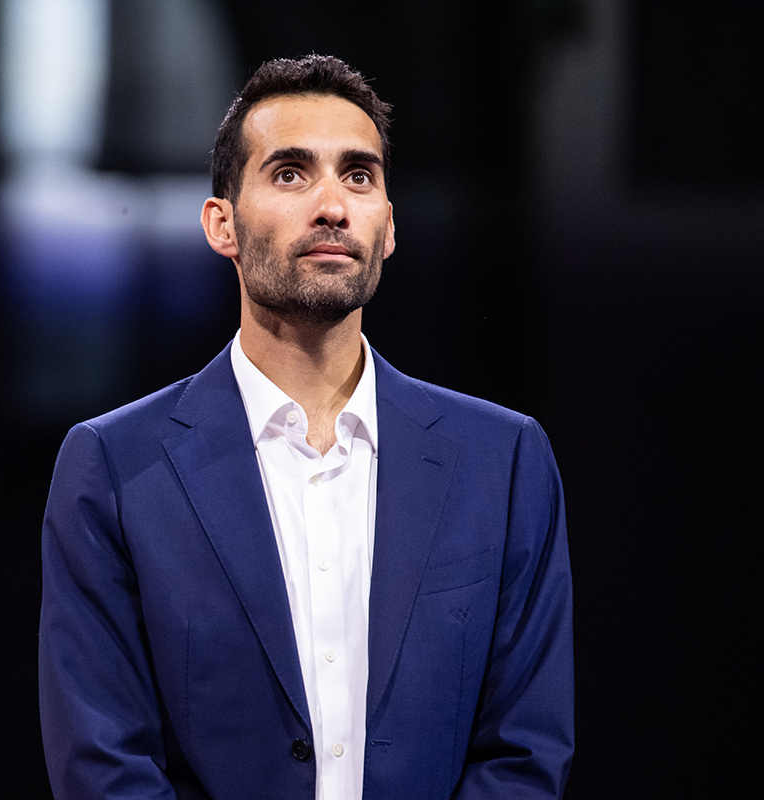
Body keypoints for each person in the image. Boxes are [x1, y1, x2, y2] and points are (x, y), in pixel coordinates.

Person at [38, 54, 573, 800]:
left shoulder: (504, 461)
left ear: (389, 227)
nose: (332, 206)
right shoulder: (115, 467)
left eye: (358, 176)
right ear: (221, 224)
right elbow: (104, 764)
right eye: (290, 173)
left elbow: (525, 755)